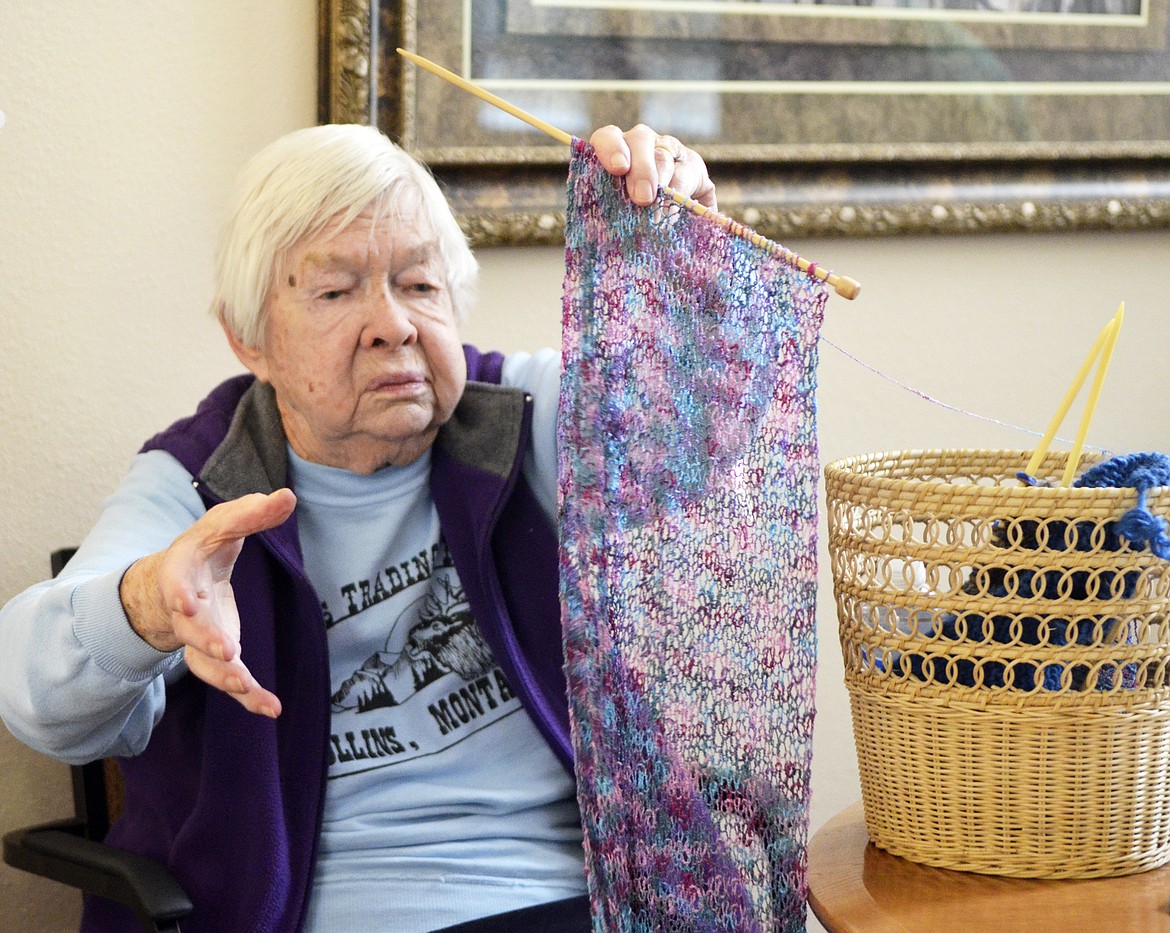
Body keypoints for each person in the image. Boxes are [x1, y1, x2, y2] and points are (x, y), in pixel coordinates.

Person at [0, 122, 715, 933]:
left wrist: (683, 270)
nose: (393, 325)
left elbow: (701, 438)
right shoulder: (202, 480)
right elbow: (34, 691)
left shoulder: (517, 417)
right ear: (250, 339)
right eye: (336, 292)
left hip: (589, 902)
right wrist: (147, 606)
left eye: (418, 284)